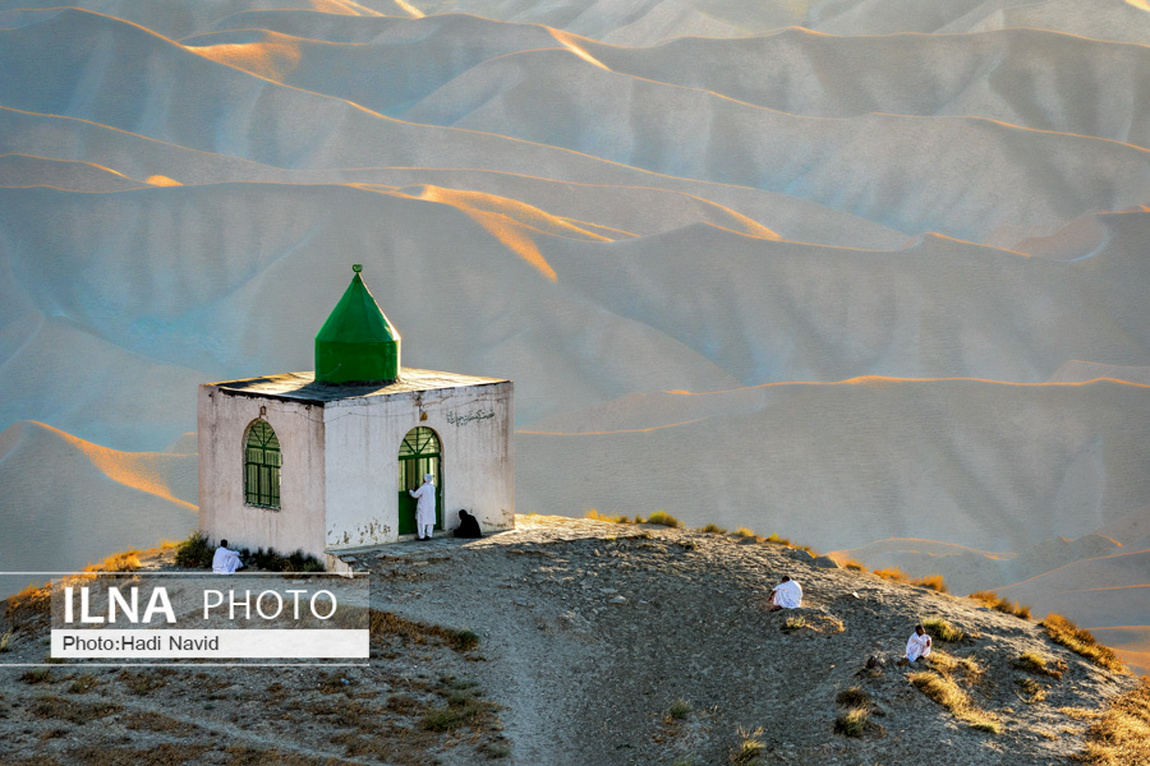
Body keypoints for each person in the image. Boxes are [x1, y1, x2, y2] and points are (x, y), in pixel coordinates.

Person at [409, 474, 437, 540]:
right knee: (430, 521)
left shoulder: (423, 488)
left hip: (423, 507)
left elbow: (415, 495)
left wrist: (411, 491)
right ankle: (429, 534)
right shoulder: (432, 487)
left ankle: (421, 536)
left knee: (421, 521)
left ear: (424, 480)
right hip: (431, 506)